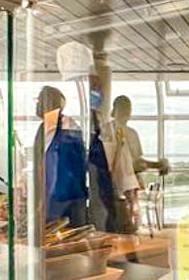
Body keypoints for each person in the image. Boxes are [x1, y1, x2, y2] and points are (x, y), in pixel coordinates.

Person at [103, 95, 168, 233]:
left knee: (128, 224)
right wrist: (157, 165)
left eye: (128, 109)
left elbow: (137, 163)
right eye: (124, 109)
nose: (127, 113)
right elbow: (131, 164)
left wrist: (157, 165)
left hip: (125, 186)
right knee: (123, 225)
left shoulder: (130, 133)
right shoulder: (108, 131)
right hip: (117, 186)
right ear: (115, 110)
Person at [33, 86, 88, 225]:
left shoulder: (60, 127)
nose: (37, 104)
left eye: (39, 100)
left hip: (59, 198)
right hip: (67, 194)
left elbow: (42, 164)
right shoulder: (62, 126)